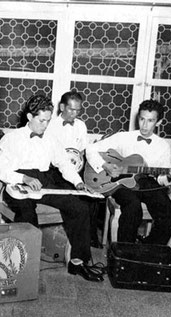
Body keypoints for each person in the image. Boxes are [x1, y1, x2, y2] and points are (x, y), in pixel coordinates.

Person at [0, 94, 104, 282]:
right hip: (18, 181)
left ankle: (78, 262)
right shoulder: (12, 138)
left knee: (79, 207)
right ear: (29, 117)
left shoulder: (50, 138)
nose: (45, 125)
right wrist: (23, 177)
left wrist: (77, 182)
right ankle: (24, 267)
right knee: (27, 213)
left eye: (48, 121)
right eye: (42, 121)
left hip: (44, 179)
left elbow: (63, 163)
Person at [85, 99, 171, 245]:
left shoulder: (163, 146)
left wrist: (169, 176)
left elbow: (161, 179)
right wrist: (105, 165)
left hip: (148, 183)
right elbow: (91, 149)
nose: (144, 125)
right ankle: (125, 254)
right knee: (133, 208)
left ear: (159, 122)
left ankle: (147, 249)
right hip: (121, 183)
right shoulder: (124, 137)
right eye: (142, 119)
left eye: (150, 121)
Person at [44, 91, 102, 248]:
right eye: (71, 109)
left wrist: (101, 165)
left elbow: (86, 148)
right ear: (62, 107)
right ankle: (76, 243)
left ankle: (91, 237)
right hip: (57, 171)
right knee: (76, 200)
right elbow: (52, 157)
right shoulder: (50, 126)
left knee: (94, 195)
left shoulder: (81, 125)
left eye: (78, 110)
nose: (75, 114)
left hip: (78, 169)